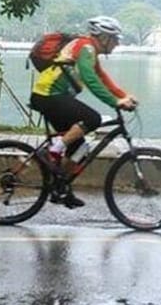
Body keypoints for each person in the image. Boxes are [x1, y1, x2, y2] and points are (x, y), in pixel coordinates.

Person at [29, 15, 137, 208]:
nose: (116, 44)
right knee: (92, 118)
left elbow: (102, 77)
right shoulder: (86, 47)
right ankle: (52, 150)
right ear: (103, 37)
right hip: (48, 95)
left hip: (56, 96)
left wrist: (123, 95)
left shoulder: (89, 50)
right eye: (114, 39)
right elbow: (91, 80)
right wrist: (115, 102)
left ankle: (60, 188)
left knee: (80, 149)